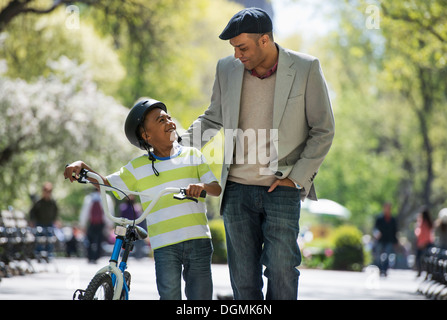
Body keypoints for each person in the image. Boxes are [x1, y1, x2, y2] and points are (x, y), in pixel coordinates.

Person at [181, 8, 335, 299]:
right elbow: (213, 118)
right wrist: (176, 146)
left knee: (282, 271)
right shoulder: (226, 69)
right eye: (234, 49)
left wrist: (297, 178)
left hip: (282, 187)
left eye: (243, 47)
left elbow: (323, 129)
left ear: (264, 40)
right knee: (244, 281)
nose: (237, 55)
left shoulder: (306, 68)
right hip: (236, 190)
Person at [64, 99, 221, 300]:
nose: (170, 122)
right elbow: (108, 185)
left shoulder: (193, 155)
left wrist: (202, 187)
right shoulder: (138, 167)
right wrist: (81, 165)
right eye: (160, 120)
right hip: (164, 245)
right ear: (147, 135)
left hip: (198, 240)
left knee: (200, 299)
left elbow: (215, 189)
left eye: (168, 117)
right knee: (169, 296)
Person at [79, 189, 114, 263]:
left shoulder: (90, 198)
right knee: (94, 240)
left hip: (97, 223)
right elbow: (109, 211)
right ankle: (93, 257)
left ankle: (93, 257)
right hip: (96, 223)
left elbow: (84, 212)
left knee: (95, 241)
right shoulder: (103, 198)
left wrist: (83, 223)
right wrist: (110, 224)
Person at [29, 182, 59, 257]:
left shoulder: (52, 203)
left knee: (50, 239)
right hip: (40, 223)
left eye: (49, 192)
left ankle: (49, 255)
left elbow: (56, 211)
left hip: (49, 223)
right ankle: (38, 254)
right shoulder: (38, 202)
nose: (47, 193)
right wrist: (32, 220)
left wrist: (55, 220)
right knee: (39, 239)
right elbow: (32, 212)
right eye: (46, 191)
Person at [373, 202, 398, 276]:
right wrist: (377, 233)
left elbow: (394, 231)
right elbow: (375, 228)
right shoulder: (379, 218)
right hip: (380, 240)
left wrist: (395, 241)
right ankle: (380, 269)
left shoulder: (393, 220)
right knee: (378, 256)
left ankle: (384, 269)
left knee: (387, 255)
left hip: (389, 240)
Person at [414, 207, 434, 277]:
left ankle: (420, 272)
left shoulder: (422, 223)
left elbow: (419, 233)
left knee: (419, 259)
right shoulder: (429, 223)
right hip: (429, 243)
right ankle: (428, 273)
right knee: (428, 259)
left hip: (422, 244)